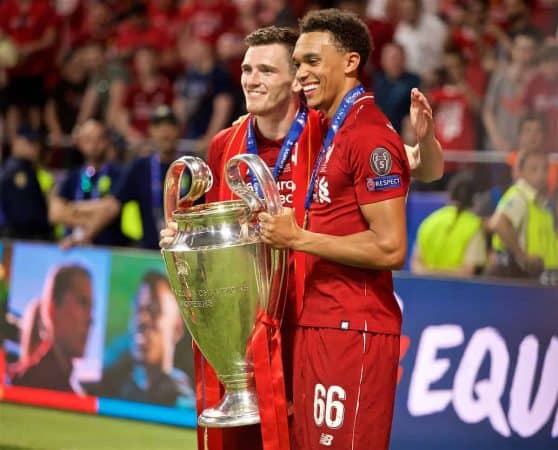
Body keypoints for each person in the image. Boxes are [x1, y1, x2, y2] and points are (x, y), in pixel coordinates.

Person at [159, 24, 443, 450]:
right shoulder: (226, 144)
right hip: (250, 333)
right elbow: (219, 232)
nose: (252, 80)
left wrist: (427, 141)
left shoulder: (329, 129)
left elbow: (417, 165)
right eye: (246, 69)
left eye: (267, 70)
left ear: (292, 79)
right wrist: (186, 237)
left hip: (315, 322)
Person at [258, 9, 409, 450]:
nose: (300, 74)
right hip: (321, 321)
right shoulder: (336, 130)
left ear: (349, 63)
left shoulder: (367, 135)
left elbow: (390, 246)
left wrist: (298, 239)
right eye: (298, 63)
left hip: (353, 327)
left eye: (311, 61)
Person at [73, 105, 183, 250]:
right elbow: (112, 206)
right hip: (150, 253)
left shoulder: (190, 166)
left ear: (178, 130)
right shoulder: (141, 167)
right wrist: (82, 236)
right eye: (159, 126)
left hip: (186, 252)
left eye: (170, 125)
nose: (165, 132)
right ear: (151, 131)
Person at [88, 271, 194, 407]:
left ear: (177, 329)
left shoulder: (183, 399)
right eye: (138, 308)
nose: (142, 319)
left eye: (154, 310)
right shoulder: (112, 384)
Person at [11, 264, 93, 393]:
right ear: (51, 309)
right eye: (82, 302)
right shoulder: (21, 382)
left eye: (91, 307)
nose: (91, 319)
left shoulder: (71, 393)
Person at [48, 120, 128, 248]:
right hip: (73, 248)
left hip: (109, 249)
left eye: (99, 139)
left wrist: (74, 207)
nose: (94, 145)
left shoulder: (119, 174)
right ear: (79, 143)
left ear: (107, 141)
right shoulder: (72, 176)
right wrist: (88, 220)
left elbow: (110, 208)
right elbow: (55, 213)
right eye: (88, 139)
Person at [487, 150, 558, 278]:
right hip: (523, 278)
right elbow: (498, 223)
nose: (541, 174)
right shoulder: (519, 196)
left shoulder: (542, 201)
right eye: (534, 169)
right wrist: (523, 257)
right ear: (521, 172)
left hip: (545, 278)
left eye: (545, 169)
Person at [411, 171, 487, 277]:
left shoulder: (429, 221)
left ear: (449, 195)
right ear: (475, 200)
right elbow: (469, 270)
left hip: (427, 289)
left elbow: (415, 265)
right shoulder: (474, 225)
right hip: (460, 291)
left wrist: (432, 274)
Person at [0, 125, 53, 241]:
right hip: (22, 238)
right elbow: (23, 213)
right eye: (29, 142)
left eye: (36, 143)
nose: (35, 147)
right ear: (16, 141)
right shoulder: (17, 170)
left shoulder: (27, 168)